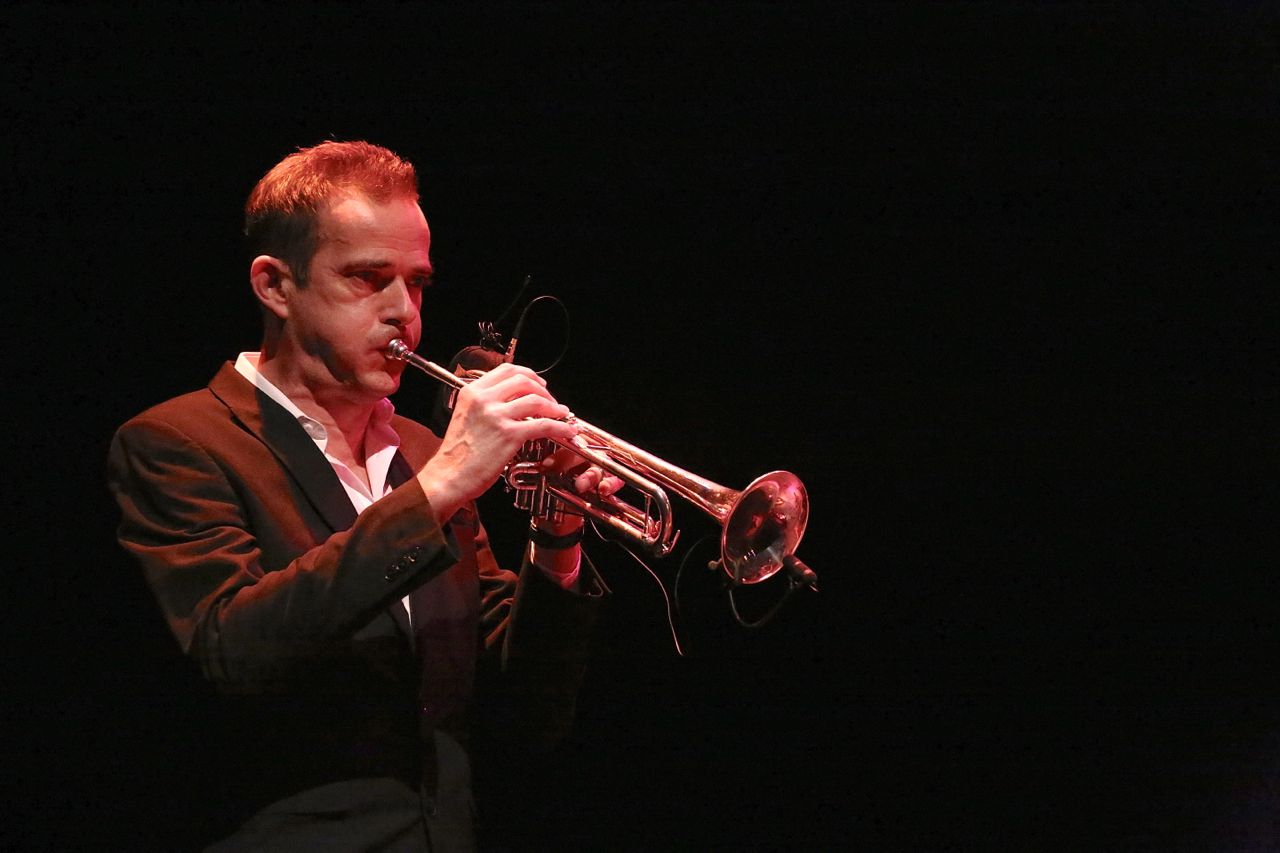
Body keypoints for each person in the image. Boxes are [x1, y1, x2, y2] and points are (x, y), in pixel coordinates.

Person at [107, 140, 617, 852]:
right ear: (275, 286)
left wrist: (555, 535)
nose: (403, 311)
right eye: (368, 279)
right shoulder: (176, 441)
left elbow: (521, 714)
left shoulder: (422, 449)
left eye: (417, 284)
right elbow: (232, 651)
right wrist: (439, 488)